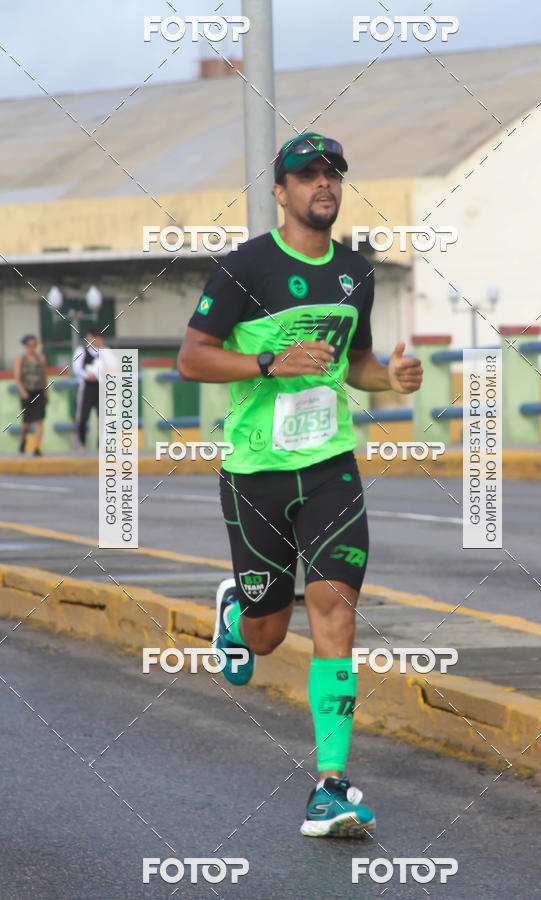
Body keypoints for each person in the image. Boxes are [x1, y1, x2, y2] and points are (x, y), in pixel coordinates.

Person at [178, 133, 423, 838]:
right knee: (265, 637)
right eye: (307, 174)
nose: (324, 182)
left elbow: (360, 363)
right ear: (281, 191)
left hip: (330, 468)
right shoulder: (244, 267)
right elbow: (193, 359)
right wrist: (267, 363)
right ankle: (239, 611)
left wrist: (392, 379)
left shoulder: (355, 271)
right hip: (256, 470)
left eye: (333, 173)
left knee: (336, 614)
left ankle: (332, 786)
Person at [13, 334, 48, 456]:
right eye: (30, 345)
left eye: (34, 345)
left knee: (39, 420)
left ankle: (37, 447)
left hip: (38, 391)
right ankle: (24, 439)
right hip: (27, 392)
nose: (32, 347)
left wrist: (46, 392)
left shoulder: (41, 358)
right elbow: (17, 377)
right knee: (27, 421)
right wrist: (22, 391)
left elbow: (44, 376)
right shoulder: (20, 359)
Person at [73, 329, 105, 451]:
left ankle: (100, 445)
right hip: (86, 388)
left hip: (101, 387)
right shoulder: (81, 351)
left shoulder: (105, 351)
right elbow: (77, 368)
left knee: (103, 417)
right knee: (82, 416)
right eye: (94, 337)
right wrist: (87, 376)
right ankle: (82, 443)